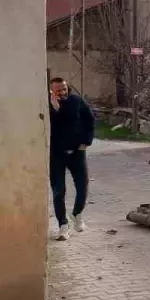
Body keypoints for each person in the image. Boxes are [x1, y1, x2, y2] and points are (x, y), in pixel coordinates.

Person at [49, 77, 95, 241]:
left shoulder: (76, 101)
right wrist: (55, 110)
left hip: (77, 152)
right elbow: (50, 127)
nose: (62, 92)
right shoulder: (48, 106)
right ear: (51, 91)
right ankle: (63, 225)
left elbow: (89, 119)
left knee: (82, 187)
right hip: (56, 154)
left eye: (64, 88)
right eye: (58, 90)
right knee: (58, 191)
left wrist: (86, 142)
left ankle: (76, 213)